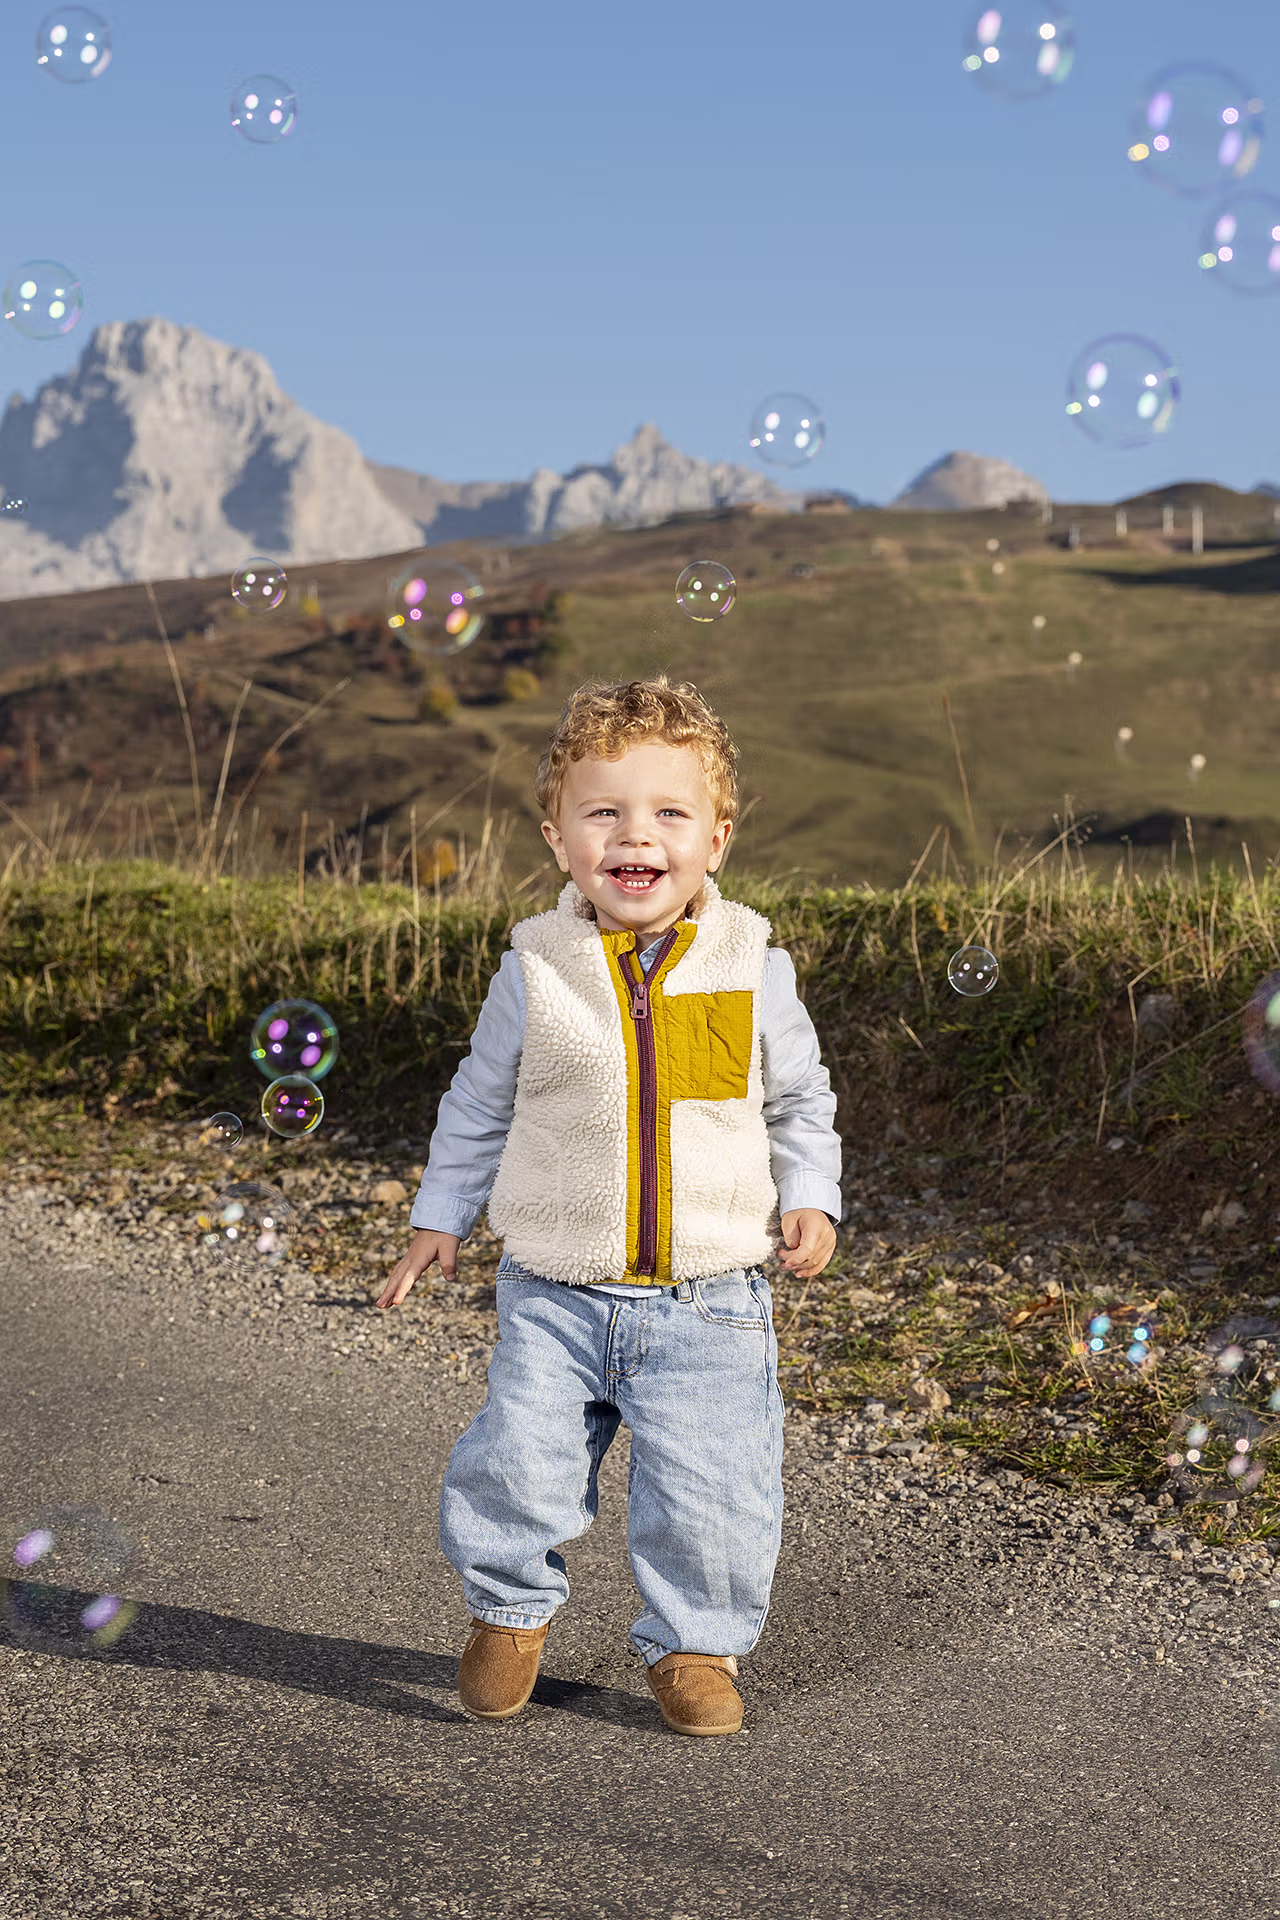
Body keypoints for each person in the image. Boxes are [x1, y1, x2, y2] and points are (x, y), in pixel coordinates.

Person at [377, 672, 841, 1736]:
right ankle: (506, 1611)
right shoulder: (534, 971)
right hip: (554, 1286)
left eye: (669, 813)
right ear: (557, 838)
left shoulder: (750, 964)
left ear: (715, 839)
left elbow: (797, 1098)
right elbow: (477, 1101)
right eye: (604, 812)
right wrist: (438, 1216)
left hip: (709, 1296)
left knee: (713, 1497)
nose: (637, 836)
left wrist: (808, 1195)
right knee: (515, 1465)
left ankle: (693, 1648)